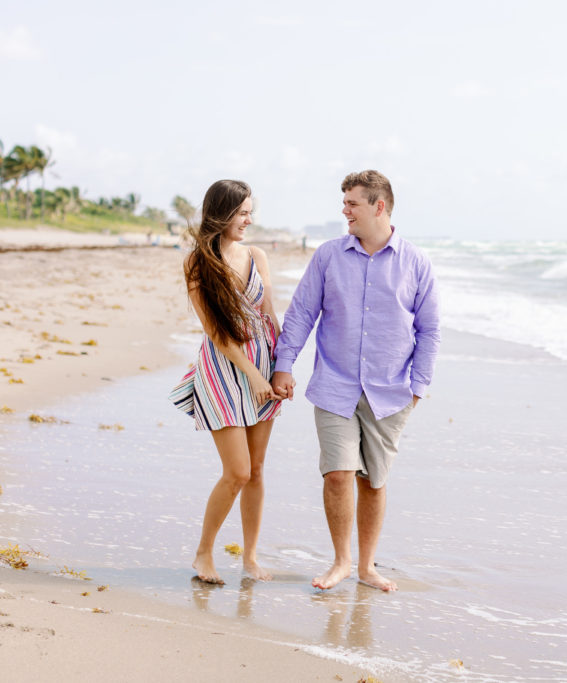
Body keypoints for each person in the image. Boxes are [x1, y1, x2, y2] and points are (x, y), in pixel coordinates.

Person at [272, 170, 440, 592]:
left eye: (352, 203)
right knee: (338, 474)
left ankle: (367, 567)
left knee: (374, 481)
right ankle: (341, 561)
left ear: (378, 206)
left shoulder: (415, 262)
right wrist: (284, 364)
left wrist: (418, 386)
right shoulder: (329, 256)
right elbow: (301, 313)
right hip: (335, 384)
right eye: (344, 202)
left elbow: (430, 329)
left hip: (391, 391)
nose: (344, 210)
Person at [169, 179, 288, 584]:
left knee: (256, 471)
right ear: (220, 213)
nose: (248, 220)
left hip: (263, 365)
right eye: (241, 212)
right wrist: (253, 376)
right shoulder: (197, 264)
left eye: (251, 212)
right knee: (236, 471)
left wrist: (281, 367)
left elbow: (270, 312)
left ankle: (250, 558)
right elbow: (217, 333)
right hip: (224, 369)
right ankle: (204, 554)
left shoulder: (256, 255)